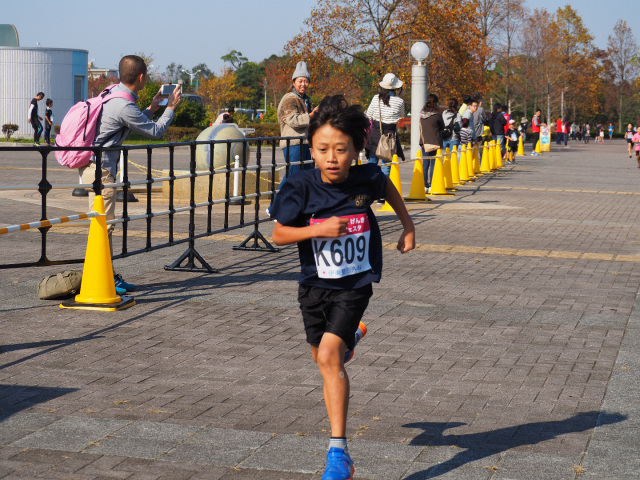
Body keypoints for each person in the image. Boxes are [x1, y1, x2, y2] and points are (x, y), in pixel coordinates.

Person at [270, 95, 415, 480]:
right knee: (322, 358)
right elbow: (279, 234)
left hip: (356, 281)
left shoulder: (366, 177)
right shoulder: (299, 185)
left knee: (329, 356)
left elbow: (387, 188)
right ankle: (350, 339)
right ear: (311, 149)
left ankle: (339, 454)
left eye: (340, 149)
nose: (332, 158)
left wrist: (408, 226)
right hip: (314, 284)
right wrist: (316, 230)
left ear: (354, 150)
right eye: (322, 149)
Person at [79, 55, 181, 294]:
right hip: (101, 170)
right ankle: (102, 280)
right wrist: (171, 108)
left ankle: (108, 275)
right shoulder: (124, 104)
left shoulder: (113, 93)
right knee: (104, 226)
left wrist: (152, 108)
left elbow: (130, 122)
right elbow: (155, 132)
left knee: (103, 224)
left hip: (94, 166)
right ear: (141, 77)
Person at [277, 61, 317, 191]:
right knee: (293, 176)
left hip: (303, 142)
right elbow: (292, 120)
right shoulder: (290, 98)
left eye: (306, 81)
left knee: (307, 176)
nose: (303, 84)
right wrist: (311, 115)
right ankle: (276, 202)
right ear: (293, 82)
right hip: (293, 143)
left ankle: (301, 202)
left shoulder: (305, 99)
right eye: (300, 81)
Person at [364, 73, 405, 176]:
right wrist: (398, 97)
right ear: (396, 87)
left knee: (372, 163)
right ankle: (383, 185)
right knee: (386, 165)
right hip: (390, 135)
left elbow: (368, 115)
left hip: (375, 133)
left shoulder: (376, 98)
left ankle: (370, 184)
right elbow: (402, 115)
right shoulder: (400, 101)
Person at [419, 93, 444, 193]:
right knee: (433, 163)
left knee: (425, 163)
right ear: (436, 102)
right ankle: (432, 184)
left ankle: (424, 185)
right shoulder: (437, 115)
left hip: (424, 142)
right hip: (435, 141)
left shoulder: (422, 114)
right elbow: (442, 126)